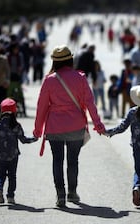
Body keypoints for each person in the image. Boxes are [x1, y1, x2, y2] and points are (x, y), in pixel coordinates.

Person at [33, 45, 105, 208]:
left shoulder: (49, 80)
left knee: (57, 160)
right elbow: (90, 103)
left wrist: (38, 130)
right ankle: (72, 192)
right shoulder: (80, 77)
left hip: (54, 127)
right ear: (70, 59)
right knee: (73, 161)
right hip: (75, 125)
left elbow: (42, 106)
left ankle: (60, 195)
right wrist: (98, 124)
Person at [0, 98, 37, 204]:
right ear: (14, 111)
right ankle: (10, 196)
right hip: (13, 155)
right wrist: (34, 138)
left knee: (1, 174)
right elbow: (23, 140)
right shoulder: (16, 125)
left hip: (0, 155)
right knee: (12, 175)